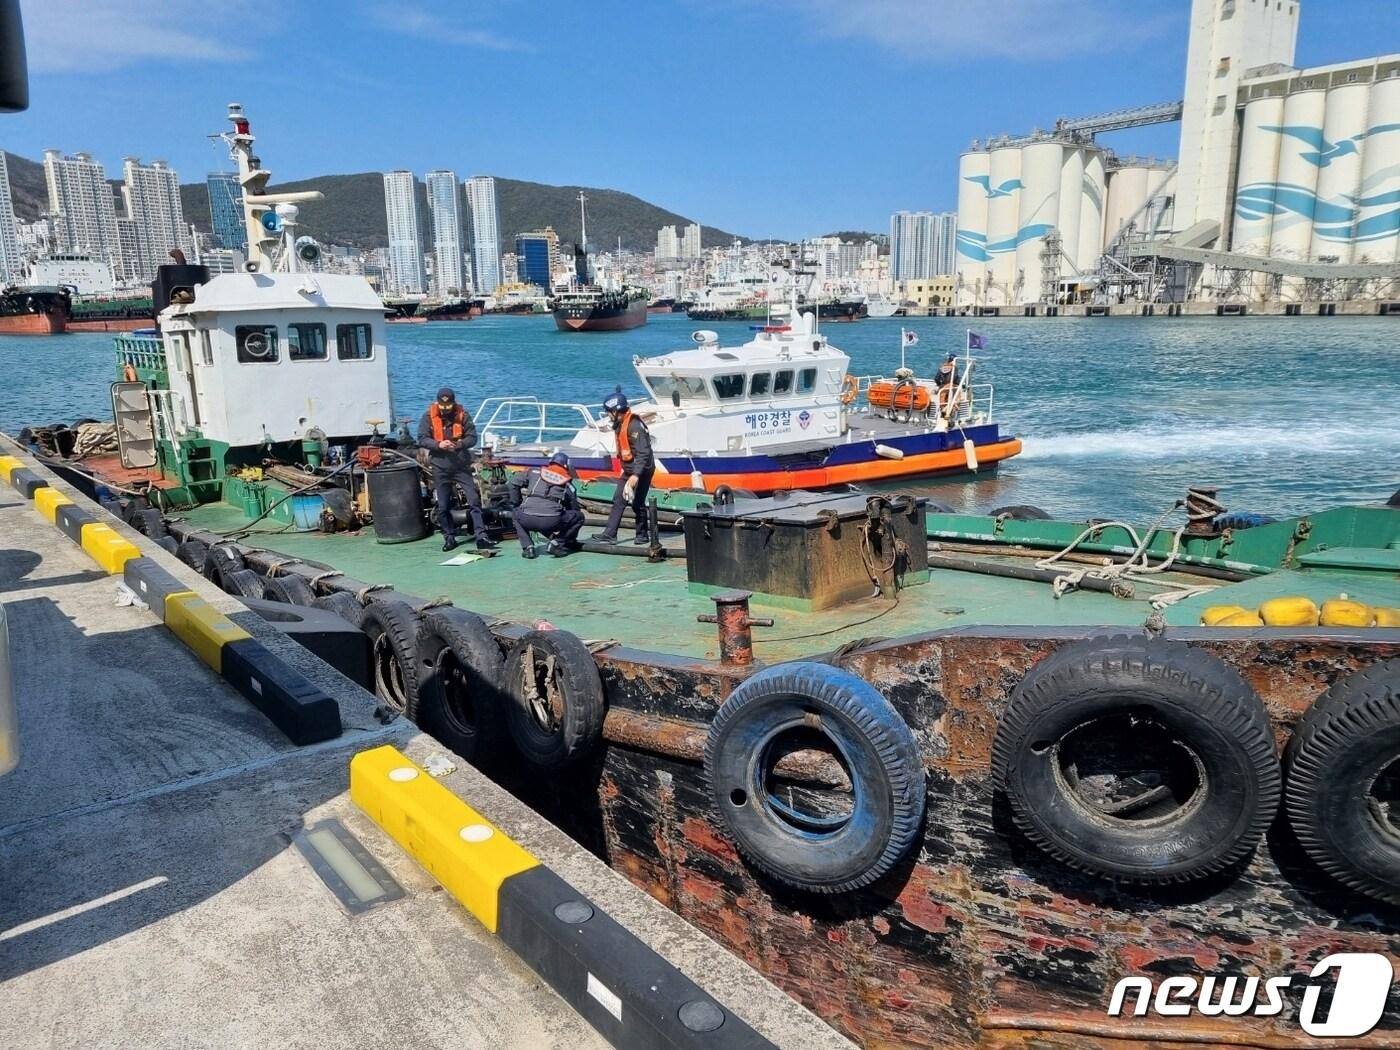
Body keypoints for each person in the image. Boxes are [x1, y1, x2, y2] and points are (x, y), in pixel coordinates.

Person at [417, 387, 496, 552]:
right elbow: (422, 438)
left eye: (449, 407)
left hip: (461, 465)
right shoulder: (428, 417)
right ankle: (449, 537)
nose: (446, 411)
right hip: (440, 466)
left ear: (454, 403)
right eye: (442, 407)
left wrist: (459, 444)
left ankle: (481, 536)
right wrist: (438, 445)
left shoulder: (463, 415)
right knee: (443, 505)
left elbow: (472, 437)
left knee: (474, 500)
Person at [591, 390, 655, 545]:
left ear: (616, 410)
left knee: (637, 502)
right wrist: (626, 469)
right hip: (629, 469)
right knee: (619, 499)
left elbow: (643, 453)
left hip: (642, 470)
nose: (608, 415)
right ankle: (610, 534)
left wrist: (636, 475)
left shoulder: (634, 427)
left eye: (609, 412)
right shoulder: (621, 424)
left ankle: (642, 534)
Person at [510, 452, 585, 559]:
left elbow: (513, 483)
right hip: (551, 521)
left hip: (526, 517)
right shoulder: (567, 483)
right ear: (567, 466)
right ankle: (557, 543)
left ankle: (528, 548)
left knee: (515, 513)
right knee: (579, 517)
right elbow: (574, 508)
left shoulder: (534, 472)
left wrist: (517, 502)